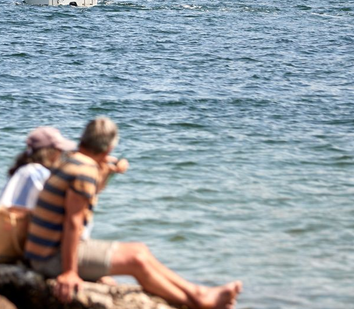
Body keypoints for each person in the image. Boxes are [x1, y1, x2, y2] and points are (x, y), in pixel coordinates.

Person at [25, 117, 242, 309]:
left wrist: (109, 169)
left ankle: (198, 294)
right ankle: (197, 302)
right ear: (108, 149)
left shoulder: (72, 160)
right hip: (50, 259)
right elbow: (73, 222)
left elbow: (85, 196)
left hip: (44, 251)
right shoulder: (85, 170)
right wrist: (69, 272)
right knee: (137, 259)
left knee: (140, 250)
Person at [0, 127, 74, 210]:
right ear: (51, 152)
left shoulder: (23, 169)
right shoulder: (39, 173)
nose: (61, 154)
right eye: (60, 150)